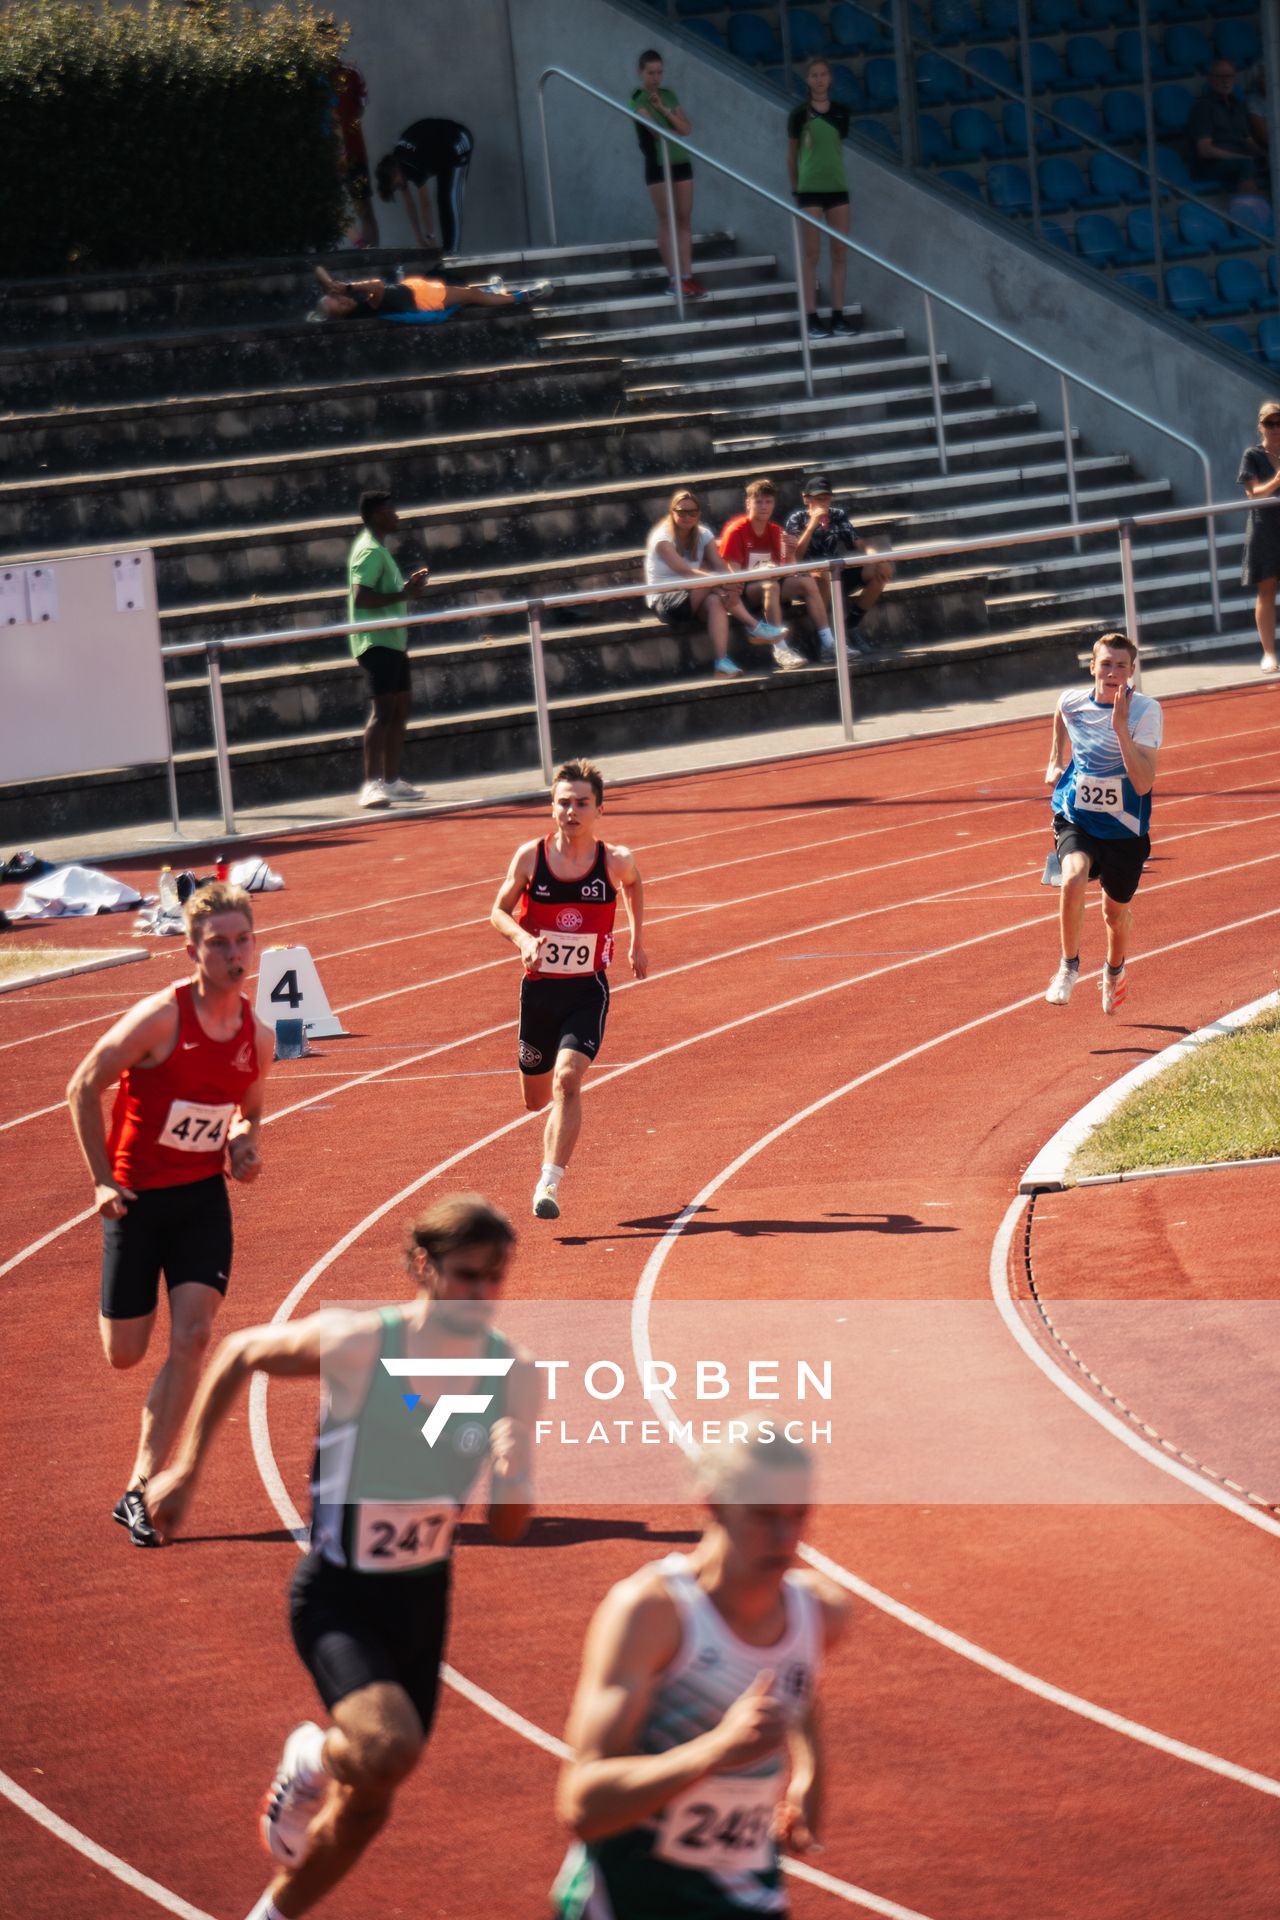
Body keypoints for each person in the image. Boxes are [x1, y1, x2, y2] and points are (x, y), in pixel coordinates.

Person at [146, 1194, 538, 1920]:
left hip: (423, 1602)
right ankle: (307, 1759)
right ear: (423, 1267)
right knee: (386, 1747)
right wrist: (185, 1473)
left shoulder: (510, 1371)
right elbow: (239, 1352)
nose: (482, 1295)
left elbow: (510, 1528)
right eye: (466, 1276)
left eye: (495, 1278)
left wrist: (516, 1468)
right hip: (339, 1597)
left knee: (371, 1805)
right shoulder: (364, 1344)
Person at [552, 1422, 847, 1920]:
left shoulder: (820, 1613)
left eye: (798, 1516)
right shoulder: (652, 1615)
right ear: (712, 1505)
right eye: (763, 1516)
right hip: (628, 1901)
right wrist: (715, 1750)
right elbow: (583, 1803)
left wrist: (811, 1768)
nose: (784, 1537)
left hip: (746, 1896)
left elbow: (795, 1683)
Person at [65, 881, 273, 1548]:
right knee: (125, 1354)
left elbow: (250, 1104)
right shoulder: (161, 1019)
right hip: (134, 1200)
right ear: (192, 951)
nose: (234, 955)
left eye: (243, 941)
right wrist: (100, 1182)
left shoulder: (257, 1035)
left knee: (192, 1339)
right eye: (219, 944)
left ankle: (140, 1487)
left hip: (201, 1204)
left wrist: (244, 1141)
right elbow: (81, 1085)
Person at [490, 758, 646, 1221]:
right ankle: (551, 1146)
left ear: (599, 809)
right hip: (539, 993)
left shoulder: (615, 860)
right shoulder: (530, 858)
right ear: (551, 807)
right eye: (563, 803)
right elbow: (496, 910)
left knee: (567, 1081)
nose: (571, 811)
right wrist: (521, 938)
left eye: (582, 803)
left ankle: (549, 1183)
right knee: (535, 1099)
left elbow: (635, 886)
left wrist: (637, 940)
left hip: (586, 992)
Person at [1044, 632, 1162, 1015]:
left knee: (1114, 913)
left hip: (1125, 830)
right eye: (1106, 664)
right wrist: (1054, 758)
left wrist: (1120, 729)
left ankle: (1114, 970)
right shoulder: (1072, 701)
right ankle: (1068, 966)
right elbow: (1061, 712)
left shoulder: (1145, 712)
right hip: (1076, 816)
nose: (1112, 673)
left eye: (1121, 666)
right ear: (1092, 666)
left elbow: (1143, 782)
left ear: (1131, 671)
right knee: (1073, 876)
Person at [645, 487, 791, 677]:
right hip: (667, 601)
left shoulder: (703, 535)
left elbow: (721, 568)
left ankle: (722, 661)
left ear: (698, 514)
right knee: (711, 582)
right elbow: (686, 571)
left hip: (697, 595)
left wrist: (732, 585)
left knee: (717, 601)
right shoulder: (662, 538)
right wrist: (724, 584)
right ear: (672, 512)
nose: (687, 517)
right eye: (681, 512)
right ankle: (755, 626)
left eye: (693, 512)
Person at [346, 489, 430, 811]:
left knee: (399, 711)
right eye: (390, 510)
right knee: (381, 714)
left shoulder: (379, 550)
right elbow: (360, 597)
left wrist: (406, 589)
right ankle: (371, 785)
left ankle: (392, 782)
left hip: (393, 640)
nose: (396, 515)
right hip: (376, 641)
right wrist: (403, 596)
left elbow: (384, 593)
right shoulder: (368, 550)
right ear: (376, 515)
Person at [783, 472, 893, 659]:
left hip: (836, 572)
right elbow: (795, 556)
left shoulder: (838, 515)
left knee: (880, 570)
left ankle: (851, 624)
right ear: (806, 499)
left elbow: (858, 543)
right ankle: (824, 636)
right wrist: (812, 525)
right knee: (823, 574)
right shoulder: (797, 519)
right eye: (819, 498)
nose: (824, 502)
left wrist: (874, 556)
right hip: (808, 576)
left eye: (827, 498)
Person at [718, 479, 819, 671]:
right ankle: (781, 649)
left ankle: (828, 640)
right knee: (770, 586)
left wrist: (790, 554)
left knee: (807, 582)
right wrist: (759, 573)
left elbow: (790, 572)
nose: (764, 507)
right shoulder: (736, 531)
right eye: (758, 502)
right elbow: (733, 576)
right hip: (743, 590)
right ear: (748, 503)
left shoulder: (776, 531)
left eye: (768, 502)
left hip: (769, 584)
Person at [631, 50, 706, 301]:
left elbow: (686, 128)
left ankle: (687, 275)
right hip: (658, 164)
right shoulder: (638, 98)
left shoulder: (668, 95)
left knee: (684, 218)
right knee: (667, 219)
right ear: (640, 72)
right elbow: (657, 131)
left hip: (680, 161)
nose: (655, 78)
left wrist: (664, 107)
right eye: (650, 73)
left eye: (659, 72)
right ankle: (673, 277)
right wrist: (670, 124)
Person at [787, 59, 853, 340]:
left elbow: (835, 147)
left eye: (823, 74)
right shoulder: (799, 115)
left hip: (837, 188)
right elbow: (792, 157)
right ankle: (811, 315)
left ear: (830, 78)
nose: (819, 80)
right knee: (811, 255)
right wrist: (796, 190)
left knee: (840, 253)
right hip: (810, 190)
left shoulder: (841, 113)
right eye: (814, 75)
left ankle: (838, 314)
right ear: (807, 80)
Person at [317, 25, 379, 249]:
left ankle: (370, 255)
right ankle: (351, 246)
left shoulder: (351, 74)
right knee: (326, 207)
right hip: (325, 155)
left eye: (331, 42)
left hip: (353, 153)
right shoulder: (312, 78)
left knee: (364, 207)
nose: (327, 48)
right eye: (322, 42)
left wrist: (346, 134)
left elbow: (359, 110)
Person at [312, 264, 548, 322]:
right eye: (340, 305)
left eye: (339, 299)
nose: (344, 301)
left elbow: (317, 269)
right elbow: (377, 285)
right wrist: (350, 287)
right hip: (422, 299)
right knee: (471, 296)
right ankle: (520, 296)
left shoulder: (353, 300)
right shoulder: (363, 307)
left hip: (416, 291)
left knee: (470, 294)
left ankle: (496, 292)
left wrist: (332, 285)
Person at [374, 118, 473, 255]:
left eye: (397, 184)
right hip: (441, 151)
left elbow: (425, 203)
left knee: (449, 198)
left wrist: (430, 237)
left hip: (458, 141)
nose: (400, 187)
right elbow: (410, 205)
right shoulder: (397, 160)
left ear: (396, 174)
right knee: (443, 197)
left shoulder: (414, 166)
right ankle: (447, 251)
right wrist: (419, 239)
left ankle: (452, 254)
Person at [1237, 400, 1280, 673]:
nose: (1275, 429)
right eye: (1270, 423)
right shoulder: (1253, 454)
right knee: (1266, 589)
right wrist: (1277, 481)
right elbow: (1252, 493)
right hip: (1265, 528)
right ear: (1260, 426)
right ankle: (1269, 653)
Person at [1186, 60, 1264, 194]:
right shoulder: (1203, 107)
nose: (1225, 81)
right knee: (1245, 165)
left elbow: (1248, 139)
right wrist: (1238, 157)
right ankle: (1249, 211)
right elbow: (1205, 150)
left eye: (1229, 76)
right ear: (1210, 79)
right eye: (1220, 77)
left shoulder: (1238, 106)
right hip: (1211, 165)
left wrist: (1266, 155)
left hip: (1238, 158)